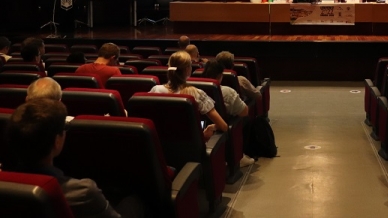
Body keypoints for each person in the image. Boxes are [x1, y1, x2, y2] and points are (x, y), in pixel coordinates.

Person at [6, 98, 145, 217]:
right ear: (57, 141)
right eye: (64, 128)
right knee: (136, 201)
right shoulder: (83, 192)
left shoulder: (7, 186)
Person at [149, 51, 227, 140]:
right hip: (190, 150)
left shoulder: (155, 90)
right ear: (187, 70)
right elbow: (223, 126)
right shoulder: (196, 94)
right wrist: (212, 128)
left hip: (159, 148)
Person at [201, 58, 254, 168]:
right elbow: (244, 112)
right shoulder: (227, 92)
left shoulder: (192, 89)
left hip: (201, 127)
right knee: (246, 119)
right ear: (220, 76)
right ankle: (239, 156)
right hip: (224, 127)